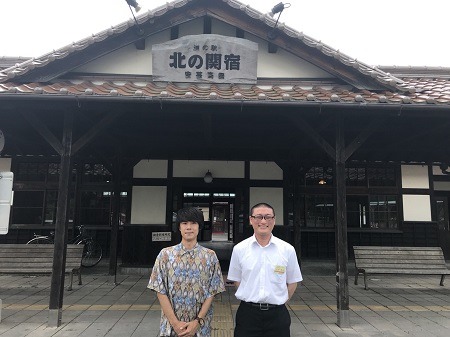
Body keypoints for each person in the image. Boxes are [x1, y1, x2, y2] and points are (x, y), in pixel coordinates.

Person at [227, 202, 303, 337]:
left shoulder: (287, 249)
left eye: (268, 217)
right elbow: (237, 281)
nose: (263, 221)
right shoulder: (239, 249)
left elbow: (293, 282)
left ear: (274, 220)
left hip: (277, 315)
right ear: (251, 220)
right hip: (248, 315)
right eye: (258, 217)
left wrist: (280, 300)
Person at [148, 207, 226, 337]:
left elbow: (212, 292)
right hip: (170, 327)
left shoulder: (210, 256)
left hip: (200, 328)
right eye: (184, 223)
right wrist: (175, 324)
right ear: (179, 227)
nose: (189, 227)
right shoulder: (165, 255)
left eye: (193, 223)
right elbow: (160, 291)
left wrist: (197, 322)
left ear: (199, 227)